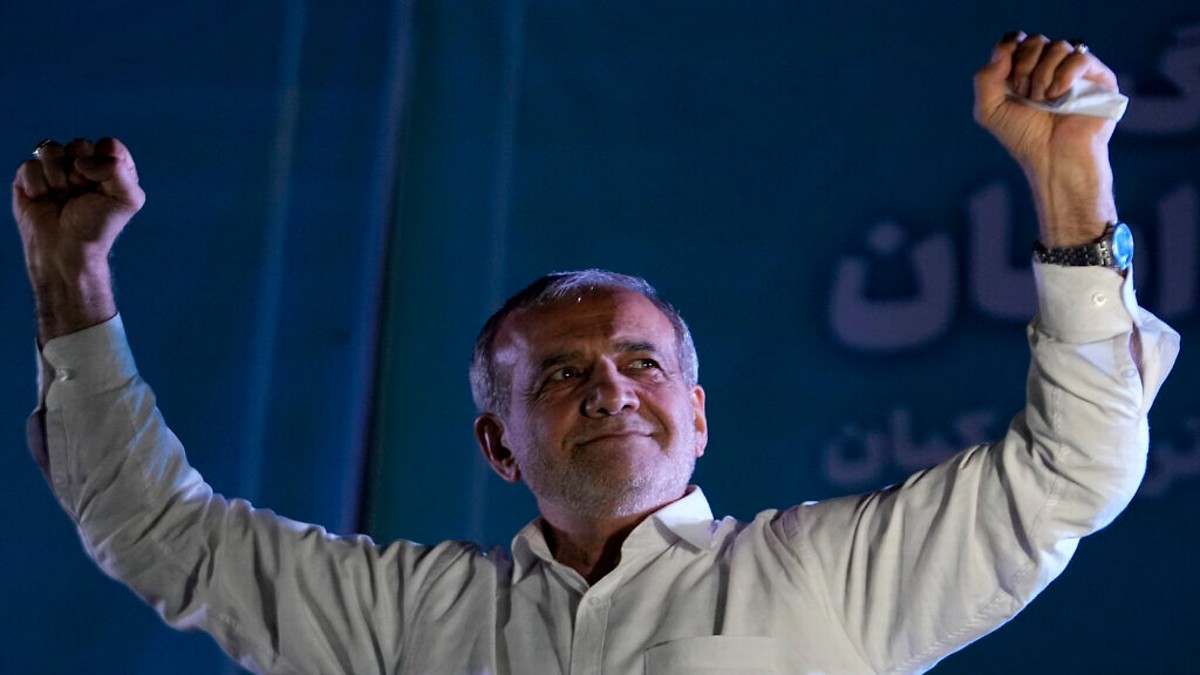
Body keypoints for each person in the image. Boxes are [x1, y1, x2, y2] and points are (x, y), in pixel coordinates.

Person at [14, 32, 1179, 674]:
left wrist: (1070, 179)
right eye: (561, 375)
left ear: (700, 415)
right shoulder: (404, 620)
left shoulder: (828, 577)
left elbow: (1074, 470)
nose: (609, 388)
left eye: (639, 363)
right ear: (498, 443)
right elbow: (158, 532)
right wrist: (73, 277)